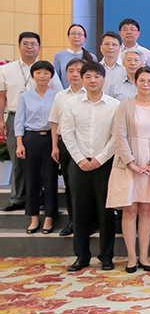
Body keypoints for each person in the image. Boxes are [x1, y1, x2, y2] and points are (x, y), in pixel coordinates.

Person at [106, 66, 150, 273]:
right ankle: (131, 257)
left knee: (146, 210)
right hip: (128, 164)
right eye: (142, 80)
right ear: (135, 82)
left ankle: (144, 256)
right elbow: (120, 135)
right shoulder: (124, 106)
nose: (146, 84)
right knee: (130, 209)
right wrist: (131, 163)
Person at [61, 62, 119, 271]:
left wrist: (100, 159)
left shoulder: (114, 105)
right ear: (82, 79)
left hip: (105, 164)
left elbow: (116, 136)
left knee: (106, 211)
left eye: (96, 76)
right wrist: (80, 159)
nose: (92, 80)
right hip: (79, 164)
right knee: (80, 211)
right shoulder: (71, 104)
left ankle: (107, 256)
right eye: (88, 76)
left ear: (104, 79)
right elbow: (67, 133)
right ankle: (81, 256)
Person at [0, 32, 62, 212]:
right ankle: (17, 198)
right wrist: (1, 120)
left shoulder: (47, 70)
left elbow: (60, 94)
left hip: (44, 121)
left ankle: (40, 198)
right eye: (25, 43)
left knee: (43, 161)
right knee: (18, 159)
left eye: (33, 44)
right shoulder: (7, 69)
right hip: (15, 117)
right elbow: (2, 96)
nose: (29, 47)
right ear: (19, 46)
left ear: (39, 48)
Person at [15, 61, 59, 234]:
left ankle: (49, 217)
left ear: (51, 76)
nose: (42, 76)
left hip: (50, 139)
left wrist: (55, 145)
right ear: (33, 75)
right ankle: (33, 217)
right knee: (31, 179)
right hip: (30, 139)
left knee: (50, 179)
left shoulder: (57, 96)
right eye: (38, 72)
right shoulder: (25, 97)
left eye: (46, 73)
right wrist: (19, 143)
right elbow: (19, 121)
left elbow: (57, 121)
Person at [49, 57, 87, 236]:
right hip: (66, 144)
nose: (75, 74)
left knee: (87, 185)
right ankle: (73, 221)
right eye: (70, 71)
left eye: (79, 70)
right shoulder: (60, 96)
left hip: (87, 144)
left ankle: (90, 221)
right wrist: (55, 146)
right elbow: (55, 123)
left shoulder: (92, 93)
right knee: (70, 184)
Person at [53, 24, 96, 88]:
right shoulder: (59, 56)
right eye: (73, 33)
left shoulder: (91, 57)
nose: (76, 36)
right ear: (68, 36)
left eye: (80, 34)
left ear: (84, 38)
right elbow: (56, 79)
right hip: (65, 92)